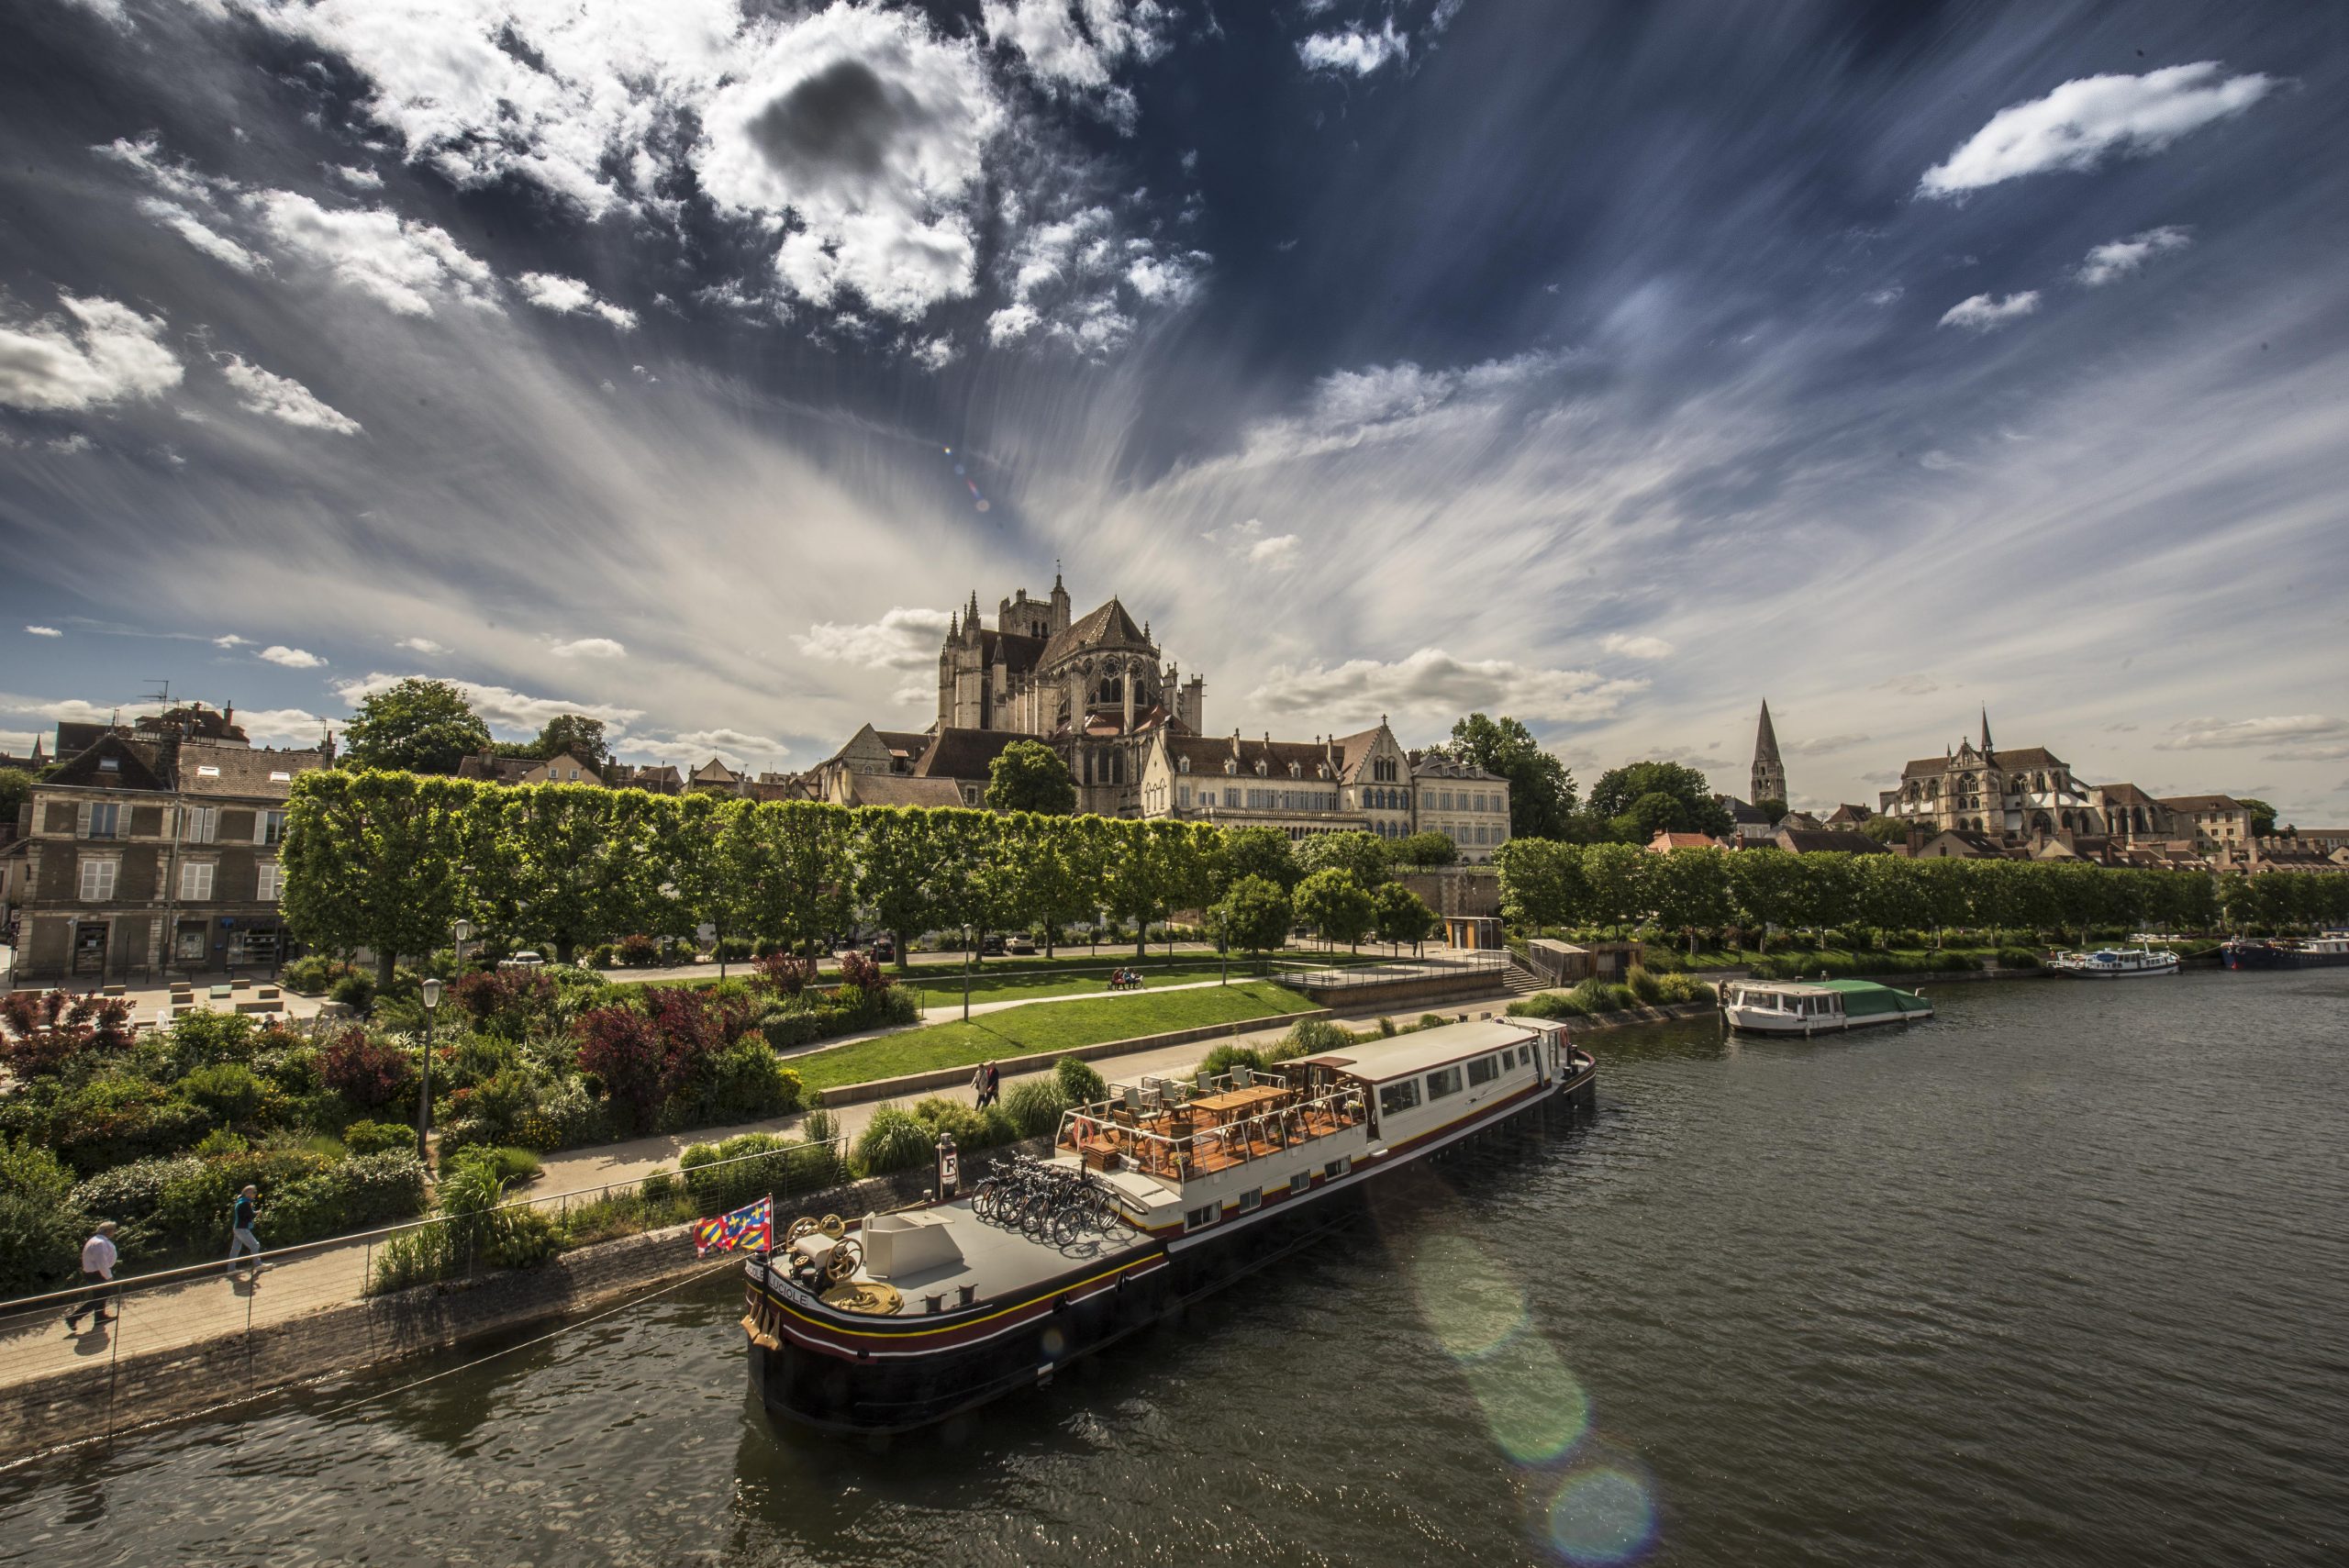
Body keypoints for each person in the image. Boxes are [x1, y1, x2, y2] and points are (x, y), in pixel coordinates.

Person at [62, 1221, 120, 1334]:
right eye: (113, 1230)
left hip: (95, 1273)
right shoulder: (99, 1243)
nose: (114, 1232)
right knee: (102, 1296)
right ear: (107, 1231)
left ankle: (100, 1317)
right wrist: (108, 1276)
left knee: (100, 1296)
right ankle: (73, 1317)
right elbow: (101, 1262)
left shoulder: (96, 1240)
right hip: (97, 1273)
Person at [227, 1184, 263, 1280]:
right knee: (255, 1245)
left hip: (237, 1228)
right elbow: (251, 1215)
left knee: (235, 1249)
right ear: (248, 1193)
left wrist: (254, 1212)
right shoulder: (245, 1203)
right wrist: (258, 1212)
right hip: (242, 1229)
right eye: (254, 1192)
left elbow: (246, 1214)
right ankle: (258, 1265)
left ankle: (231, 1270)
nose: (255, 1194)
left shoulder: (241, 1201)